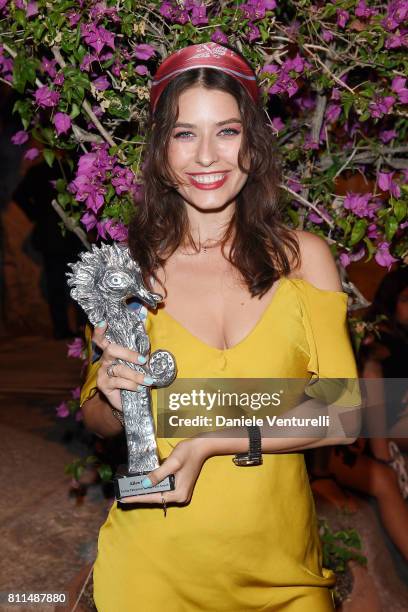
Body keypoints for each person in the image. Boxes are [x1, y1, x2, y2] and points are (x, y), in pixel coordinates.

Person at [80, 43, 361, 611]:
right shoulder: (127, 274)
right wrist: (112, 396)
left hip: (286, 577)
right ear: (160, 154)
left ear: (253, 146)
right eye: (184, 134)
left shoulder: (305, 259)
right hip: (151, 573)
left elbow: (347, 413)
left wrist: (214, 442)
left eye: (226, 131)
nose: (207, 156)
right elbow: (98, 419)